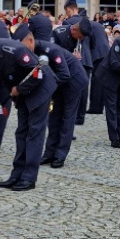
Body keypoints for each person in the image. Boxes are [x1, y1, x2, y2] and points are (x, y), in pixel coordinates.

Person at [0, 33, 57, 191]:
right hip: (23, 94)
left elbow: (37, 74)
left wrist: (18, 90)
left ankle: (29, 178)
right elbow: (8, 78)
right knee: (21, 133)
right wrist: (16, 96)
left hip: (40, 91)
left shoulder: (15, 50)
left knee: (33, 133)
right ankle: (17, 175)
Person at [19, 25, 83, 169]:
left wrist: (44, 84)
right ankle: (49, 154)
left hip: (74, 82)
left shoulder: (49, 49)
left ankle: (60, 156)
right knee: (54, 118)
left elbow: (65, 74)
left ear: (30, 40)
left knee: (66, 120)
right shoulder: (33, 51)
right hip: (59, 84)